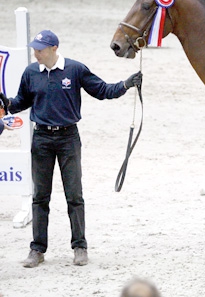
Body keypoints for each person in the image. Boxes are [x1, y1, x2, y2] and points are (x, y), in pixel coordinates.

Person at [0, 29, 142, 268]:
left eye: (40, 49)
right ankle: (37, 249)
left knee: (74, 195)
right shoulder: (31, 72)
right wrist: (7, 104)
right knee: (40, 197)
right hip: (42, 138)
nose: (36, 53)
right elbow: (22, 102)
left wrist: (126, 84)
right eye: (34, 48)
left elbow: (102, 91)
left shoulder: (75, 69)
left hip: (68, 138)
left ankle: (79, 246)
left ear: (54, 48)